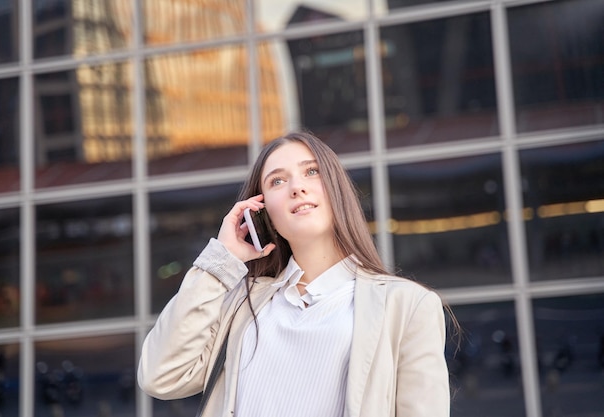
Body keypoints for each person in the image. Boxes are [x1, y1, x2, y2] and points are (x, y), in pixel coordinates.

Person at [138, 131, 451, 417]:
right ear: (261, 213)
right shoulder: (240, 306)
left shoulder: (408, 305)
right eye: (276, 181)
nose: (297, 187)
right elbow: (159, 375)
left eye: (311, 171)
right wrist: (220, 261)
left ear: (336, 189)